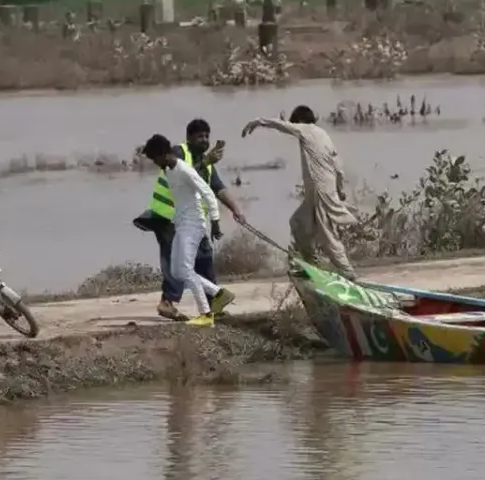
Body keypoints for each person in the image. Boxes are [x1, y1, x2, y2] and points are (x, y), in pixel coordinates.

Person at [135, 119, 244, 322]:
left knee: (202, 260)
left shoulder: (206, 163)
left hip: (193, 220)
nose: (204, 140)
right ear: (189, 138)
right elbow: (184, 170)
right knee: (176, 263)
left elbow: (216, 189)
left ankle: (214, 304)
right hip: (167, 216)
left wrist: (235, 210)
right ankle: (170, 302)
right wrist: (206, 162)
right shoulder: (177, 152)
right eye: (199, 136)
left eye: (206, 136)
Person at [241, 106, 358, 280]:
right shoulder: (323, 134)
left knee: (327, 235)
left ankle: (348, 272)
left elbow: (282, 125)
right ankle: (312, 265)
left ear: (300, 121)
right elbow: (338, 166)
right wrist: (339, 188)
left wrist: (259, 121)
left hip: (320, 191)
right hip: (319, 192)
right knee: (297, 223)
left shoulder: (306, 129)